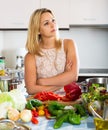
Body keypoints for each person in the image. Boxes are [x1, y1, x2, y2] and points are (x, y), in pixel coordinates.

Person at [24, 8, 79, 95]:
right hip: (42, 105)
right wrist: (64, 80)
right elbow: (31, 89)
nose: (53, 25)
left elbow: (73, 76)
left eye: (53, 20)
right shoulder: (30, 56)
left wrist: (42, 82)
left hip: (69, 102)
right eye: (46, 23)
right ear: (37, 30)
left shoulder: (69, 44)